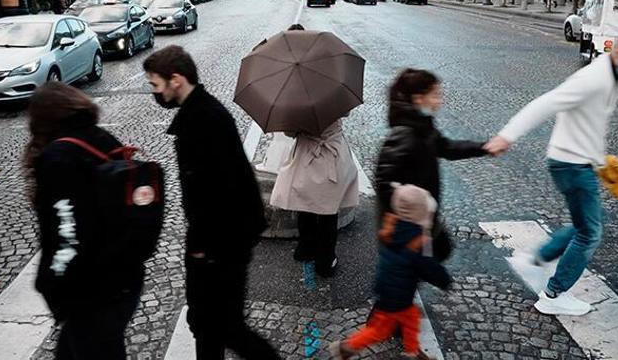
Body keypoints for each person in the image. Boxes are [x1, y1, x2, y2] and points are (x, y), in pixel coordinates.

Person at [484, 31, 618, 316]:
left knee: (589, 221)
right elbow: (546, 103)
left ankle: (539, 258)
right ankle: (554, 293)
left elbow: (589, 123)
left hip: (577, 161)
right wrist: (507, 135)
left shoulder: (612, 76)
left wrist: (600, 161)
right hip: (571, 165)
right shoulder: (594, 79)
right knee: (590, 232)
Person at [143, 46, 281, 360]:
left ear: (176, 80)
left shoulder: (201, 120)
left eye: (155, 84)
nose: (154, 91)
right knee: (206, 323)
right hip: (223, 238)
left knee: (224, 326)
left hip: (222, 242)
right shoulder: (200, 113)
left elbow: (215, 192)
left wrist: (202, 248)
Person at [23, 83, 143, 360]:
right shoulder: (100, 137)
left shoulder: (58, 157)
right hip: (123, 276)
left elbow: (68, 233)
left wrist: (50, 283)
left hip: (92, 289)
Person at [329, 184, 450, 360]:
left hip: (388, 290)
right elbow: (429, 268)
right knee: (379, 331)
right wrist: (444, 280)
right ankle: (345, 348)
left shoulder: (393, 229)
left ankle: (413, 351)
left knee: (411, 318)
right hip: (396, 297)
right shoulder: (415, 243)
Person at [375, 69, 489, 251]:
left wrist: (484, 148)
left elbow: (446, 147)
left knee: (436, 253)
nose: (440, 101)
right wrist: (407, 212)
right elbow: (383, 180)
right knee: (411, 268)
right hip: (408, 224)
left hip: (422, 219)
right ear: (418, 98)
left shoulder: (422, 126)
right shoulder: (405, 134)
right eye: (435, 95)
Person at [270, 117, 358, 277]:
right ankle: (326, 260)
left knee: (305, 204)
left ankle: (305, 249)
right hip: (333, 155)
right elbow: (346, 112)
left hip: (307, 157)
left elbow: (289, 132)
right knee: (329, 211)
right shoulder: (335, 93)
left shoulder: (297, 101)